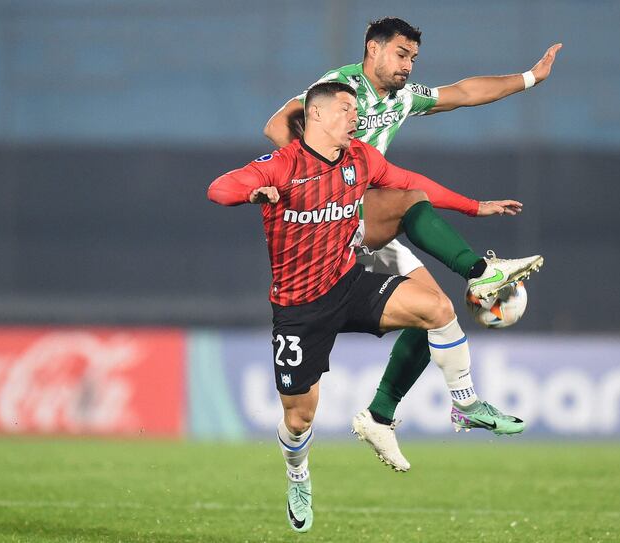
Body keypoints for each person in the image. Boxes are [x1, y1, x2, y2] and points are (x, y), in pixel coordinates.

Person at [209, 82, 534, 533]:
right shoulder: (283, 166)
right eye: (346, 109)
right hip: (299, 309)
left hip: (349, 283)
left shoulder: (361, 158)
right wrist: (252, 193)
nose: (355, 117)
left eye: (356, 110)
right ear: (316, 115)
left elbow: (412, 186)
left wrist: (474, 208)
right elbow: (220, 188)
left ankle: (464, 402)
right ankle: (298, 474)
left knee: (437, 310)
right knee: (299, 417)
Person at [264, 17, 562, 471]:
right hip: (333, 217)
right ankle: (482, 272)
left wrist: (529, 78)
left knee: (436, 310)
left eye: (413, 58)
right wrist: (310, 179)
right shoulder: (339, 88)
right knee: (410, 203)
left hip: (364, 220)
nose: (408, 65)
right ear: (373, 49)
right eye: (401, 55)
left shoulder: (402, 97)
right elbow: (276, 127)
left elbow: (461, 93)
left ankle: (384, 415)